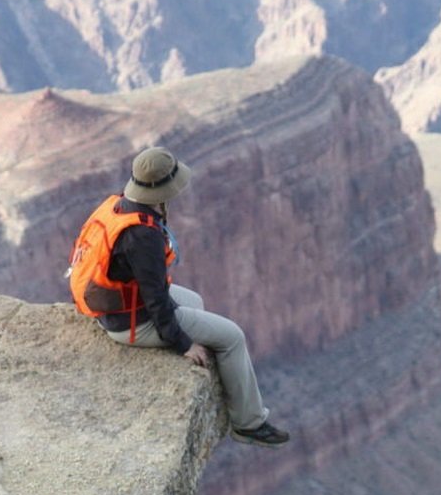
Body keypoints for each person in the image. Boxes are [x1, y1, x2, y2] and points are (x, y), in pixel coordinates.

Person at [68, 146, 289, 447]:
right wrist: (182, 343)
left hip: (116, 305)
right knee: (232, 337)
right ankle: (249, 423)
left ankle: (228, 391)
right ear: (162, 190)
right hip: (131, 322)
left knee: (194, 301)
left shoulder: (119, 206)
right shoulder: (142, 235)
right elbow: (157, 299)